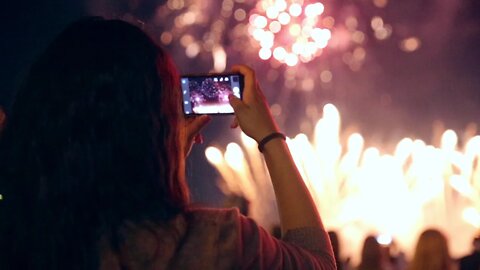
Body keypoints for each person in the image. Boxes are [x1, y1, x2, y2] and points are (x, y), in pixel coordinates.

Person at [0, 18, 335, 270]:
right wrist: (270, 138)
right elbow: (317, 261)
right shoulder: (213, 241)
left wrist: (168, 157)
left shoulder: (19, 234)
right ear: (154, 124)